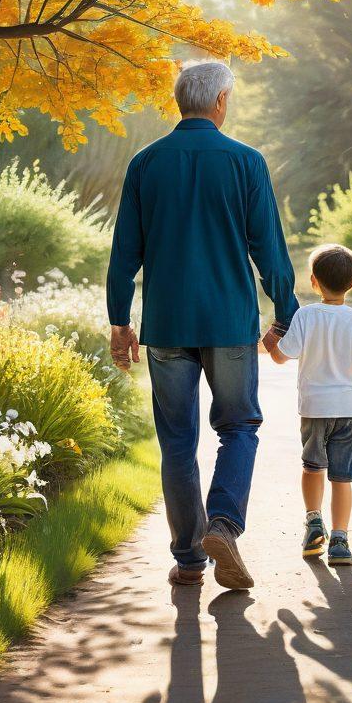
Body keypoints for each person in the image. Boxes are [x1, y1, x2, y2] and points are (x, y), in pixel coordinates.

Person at [107, 59, 297, 590]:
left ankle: (189, 559)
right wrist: (286, 312)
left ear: (180, 102)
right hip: (230, 322)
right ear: (220, 102)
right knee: (239, 427)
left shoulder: (145, 163)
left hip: (166, 324)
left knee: (176, 440)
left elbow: (125, 253)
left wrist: (120, 321)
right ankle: (224, 523)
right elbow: (270, 250)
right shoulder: (245, 161)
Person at [264, 243, 352, 566]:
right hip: (348, 409)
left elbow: (280, 357)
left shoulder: (305, 316)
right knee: (343, 477)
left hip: (314, 408)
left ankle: (313, 521)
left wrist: (270, 341)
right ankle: (341, 541)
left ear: (314, 282)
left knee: (312, 466)